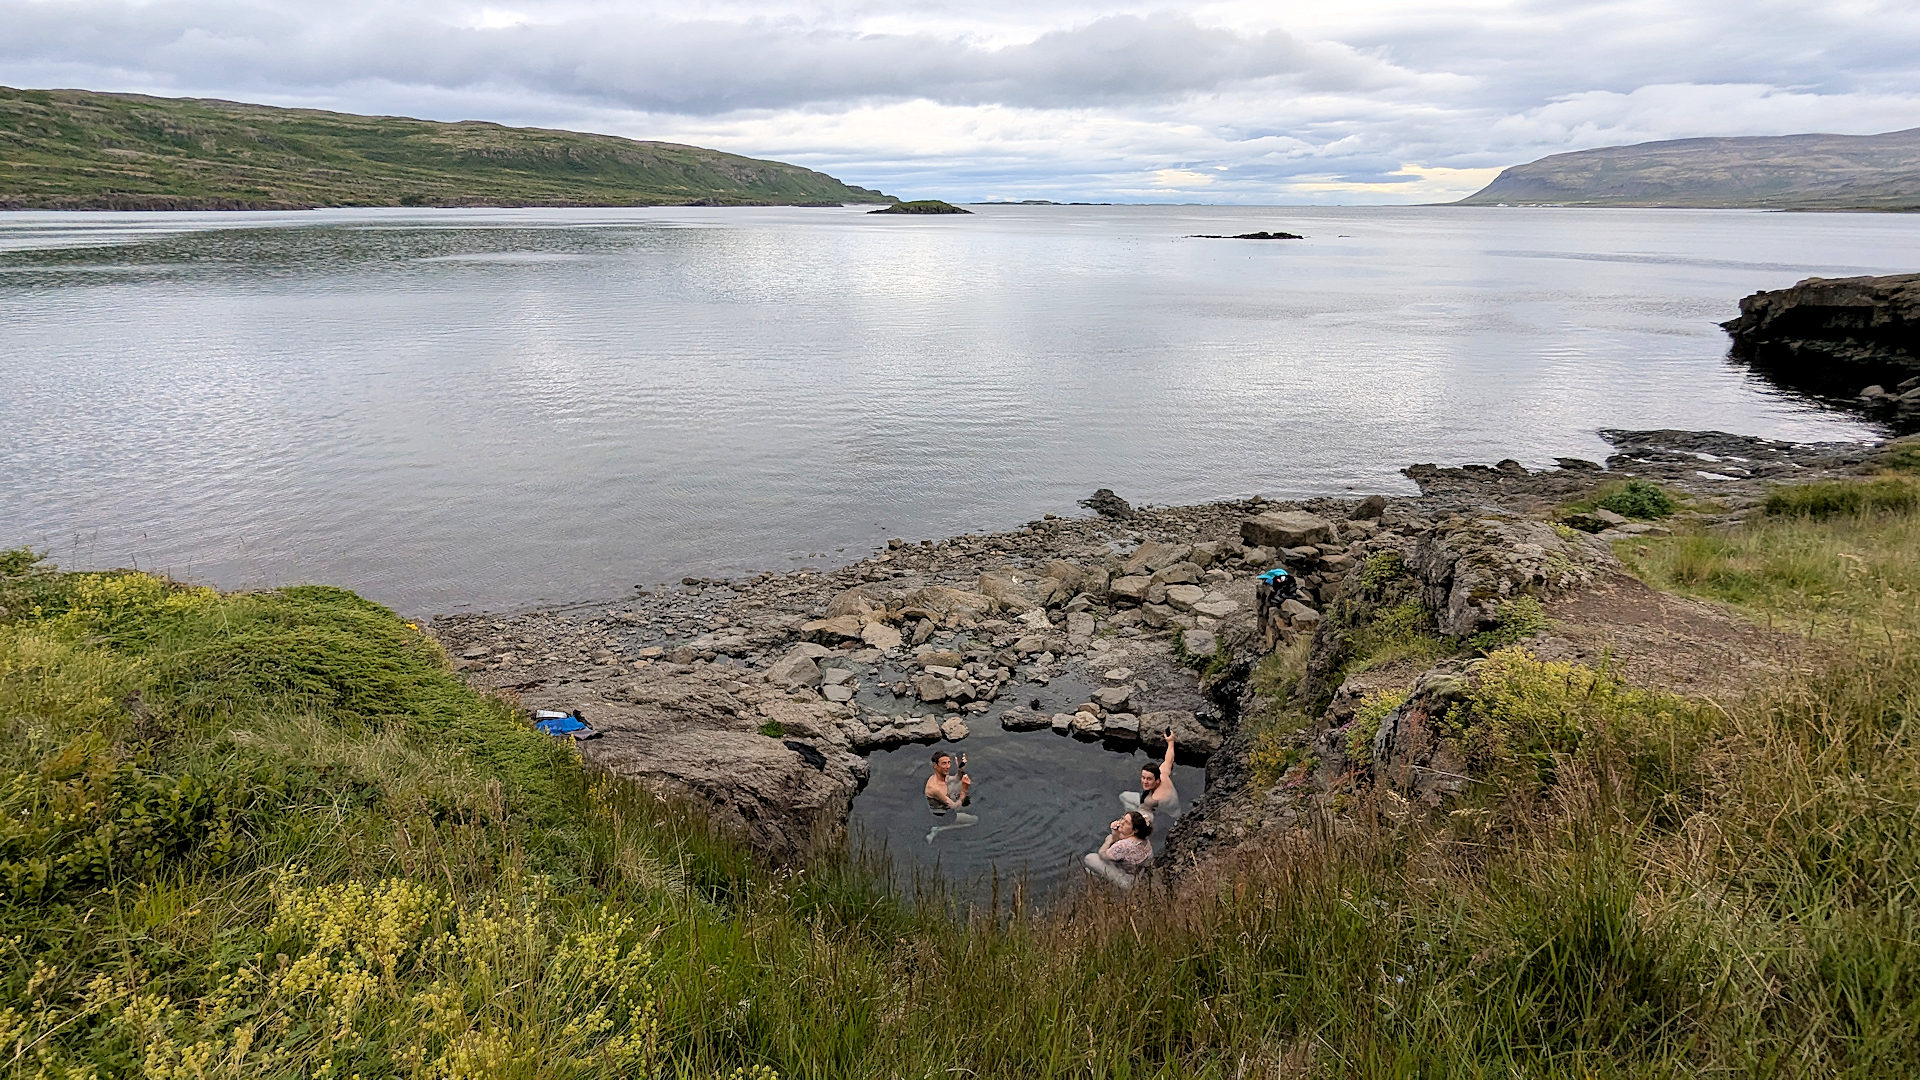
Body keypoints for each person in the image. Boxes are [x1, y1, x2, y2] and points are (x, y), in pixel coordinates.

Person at [1082, 810, 1153, 889]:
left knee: (1089, 858)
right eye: (1123, 818)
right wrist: (1116, 833)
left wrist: (1109, 840)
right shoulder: (1144, 838)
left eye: (1127, 823)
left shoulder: (1123, 845)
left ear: (1135, 830)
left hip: (1128, 881)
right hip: (1140, 872)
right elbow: (1121, 844)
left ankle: (1107, 882)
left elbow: (1103, 855)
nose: (1122, 822)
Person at [1120, 728, 1178, 821]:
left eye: (1149, 779)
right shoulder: (1162, 773)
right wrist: (1171, 742)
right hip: (1154, 802)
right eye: (1143, 777)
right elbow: (1168, 760)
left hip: (1169, 815)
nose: (1144, 782)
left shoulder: (1153, 799)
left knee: (1141, 818)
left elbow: (1141, 811)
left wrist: (1126, 819)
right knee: (1123, 796)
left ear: (1157, 780)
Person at [924, 750, 976, 842]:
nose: (948, 766)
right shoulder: (934, 788)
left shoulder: (940, 776)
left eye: (948, 763)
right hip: (945, 817)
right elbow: (954, 806)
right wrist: (964, 790)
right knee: (974, 820)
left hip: (944, 809)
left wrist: (960, 769)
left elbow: (956, 779)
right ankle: (939, 829)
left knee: (959, 789)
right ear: (935, 765)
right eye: (944, 764)